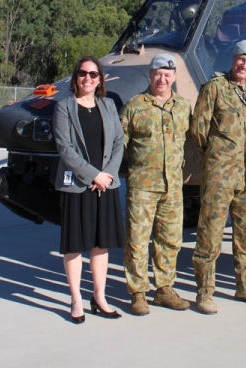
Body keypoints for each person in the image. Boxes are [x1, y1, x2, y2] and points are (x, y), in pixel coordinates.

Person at [190, 40, 246, 314]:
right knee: (210, 234)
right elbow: (199, 130)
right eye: (241, 60)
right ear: (233, 58)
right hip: (220, 175)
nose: (244, 65)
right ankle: (204, 292)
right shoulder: (215, 88)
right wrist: (220, 155)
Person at [52, 56, 125, 323]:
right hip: (78, 186)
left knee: (100, 244)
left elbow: (119, 141)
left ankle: (100, 297)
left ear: (100, 80)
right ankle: (76, 300)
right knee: (74, 245)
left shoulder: (108, 105)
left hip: (105, 185)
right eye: (83, 74)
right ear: (76, 78)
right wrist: (93, 175)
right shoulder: (64, 108)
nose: (88, 79)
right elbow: (64, 148)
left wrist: (107, 176)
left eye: (93, 75)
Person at [121, 54, 192, 316]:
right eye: (157, 74)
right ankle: (138, 291)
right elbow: (122, 144)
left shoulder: (183, 106)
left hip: (173, 185)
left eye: (167, 74)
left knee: (170, 239)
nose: (162, 79)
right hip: (142, 185)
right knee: (138, 240)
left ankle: (164, 288)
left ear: (174, 77)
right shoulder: (135, 106)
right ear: (150, 75)